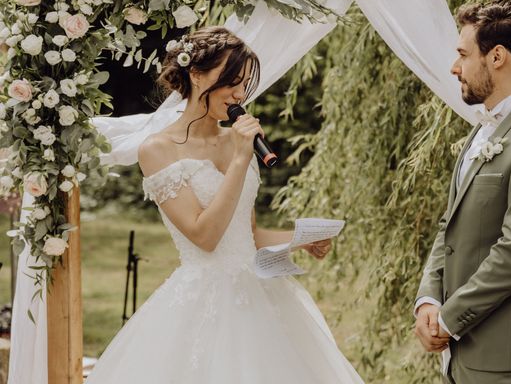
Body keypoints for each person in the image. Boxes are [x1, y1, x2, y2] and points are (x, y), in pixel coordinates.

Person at [85, 26, 364, 384]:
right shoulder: (158, 149)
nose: (239, 93)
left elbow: (247, 234)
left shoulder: (238, 142)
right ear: (197, 74)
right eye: (232, 80)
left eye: (245, 83)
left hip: (262, 294)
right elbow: (205, 235)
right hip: (202, 301)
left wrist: (298, 239)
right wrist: (239, 159)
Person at [414, 0, 511, 384]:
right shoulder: (482, 130)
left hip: (507, 357)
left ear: (497, 57)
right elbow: (450, 228)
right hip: (462, 353)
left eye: (463, 55)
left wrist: (449, 319)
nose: (454, 67)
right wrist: (428, 300)